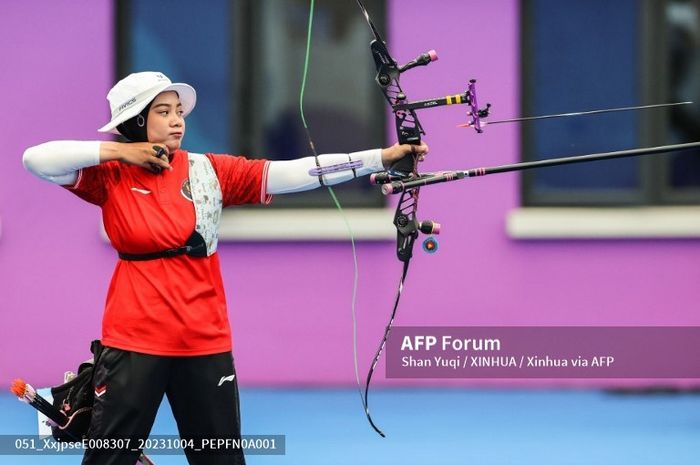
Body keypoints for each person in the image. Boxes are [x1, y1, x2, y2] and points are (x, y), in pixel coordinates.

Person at [22, 71, 428, 465]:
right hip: (133, 340)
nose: (177, 119)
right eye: (163, 112)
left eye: (178, 110)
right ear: (137, 121)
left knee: (220, 457)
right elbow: (35, 159)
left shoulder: (208, 170)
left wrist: (382, 156)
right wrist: (120, 151)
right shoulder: (108, 176)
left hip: (204, 339)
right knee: (110, 457)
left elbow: (294, 172)